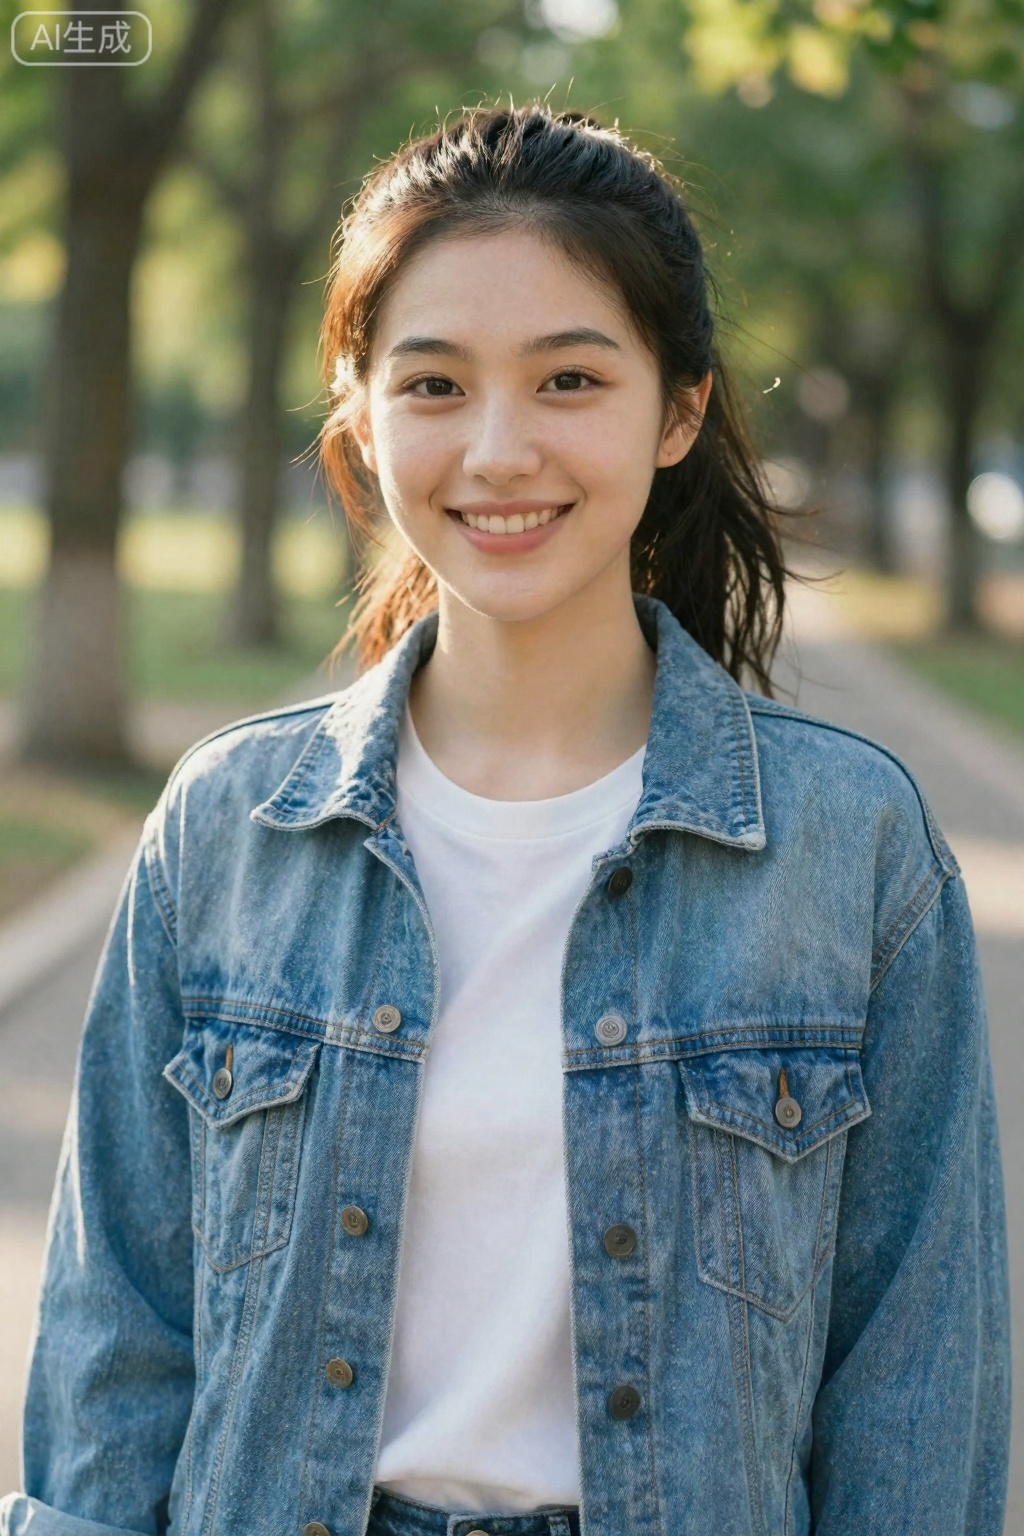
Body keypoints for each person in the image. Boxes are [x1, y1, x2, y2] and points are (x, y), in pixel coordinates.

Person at [0, 102, 1010, 1536]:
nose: (496, 450)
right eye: (433, 384)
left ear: (679, 410)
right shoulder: (226, 829)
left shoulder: (852, 846)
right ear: (361, 415)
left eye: (568, 380)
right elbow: (120, 1350)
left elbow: (915, 1390)